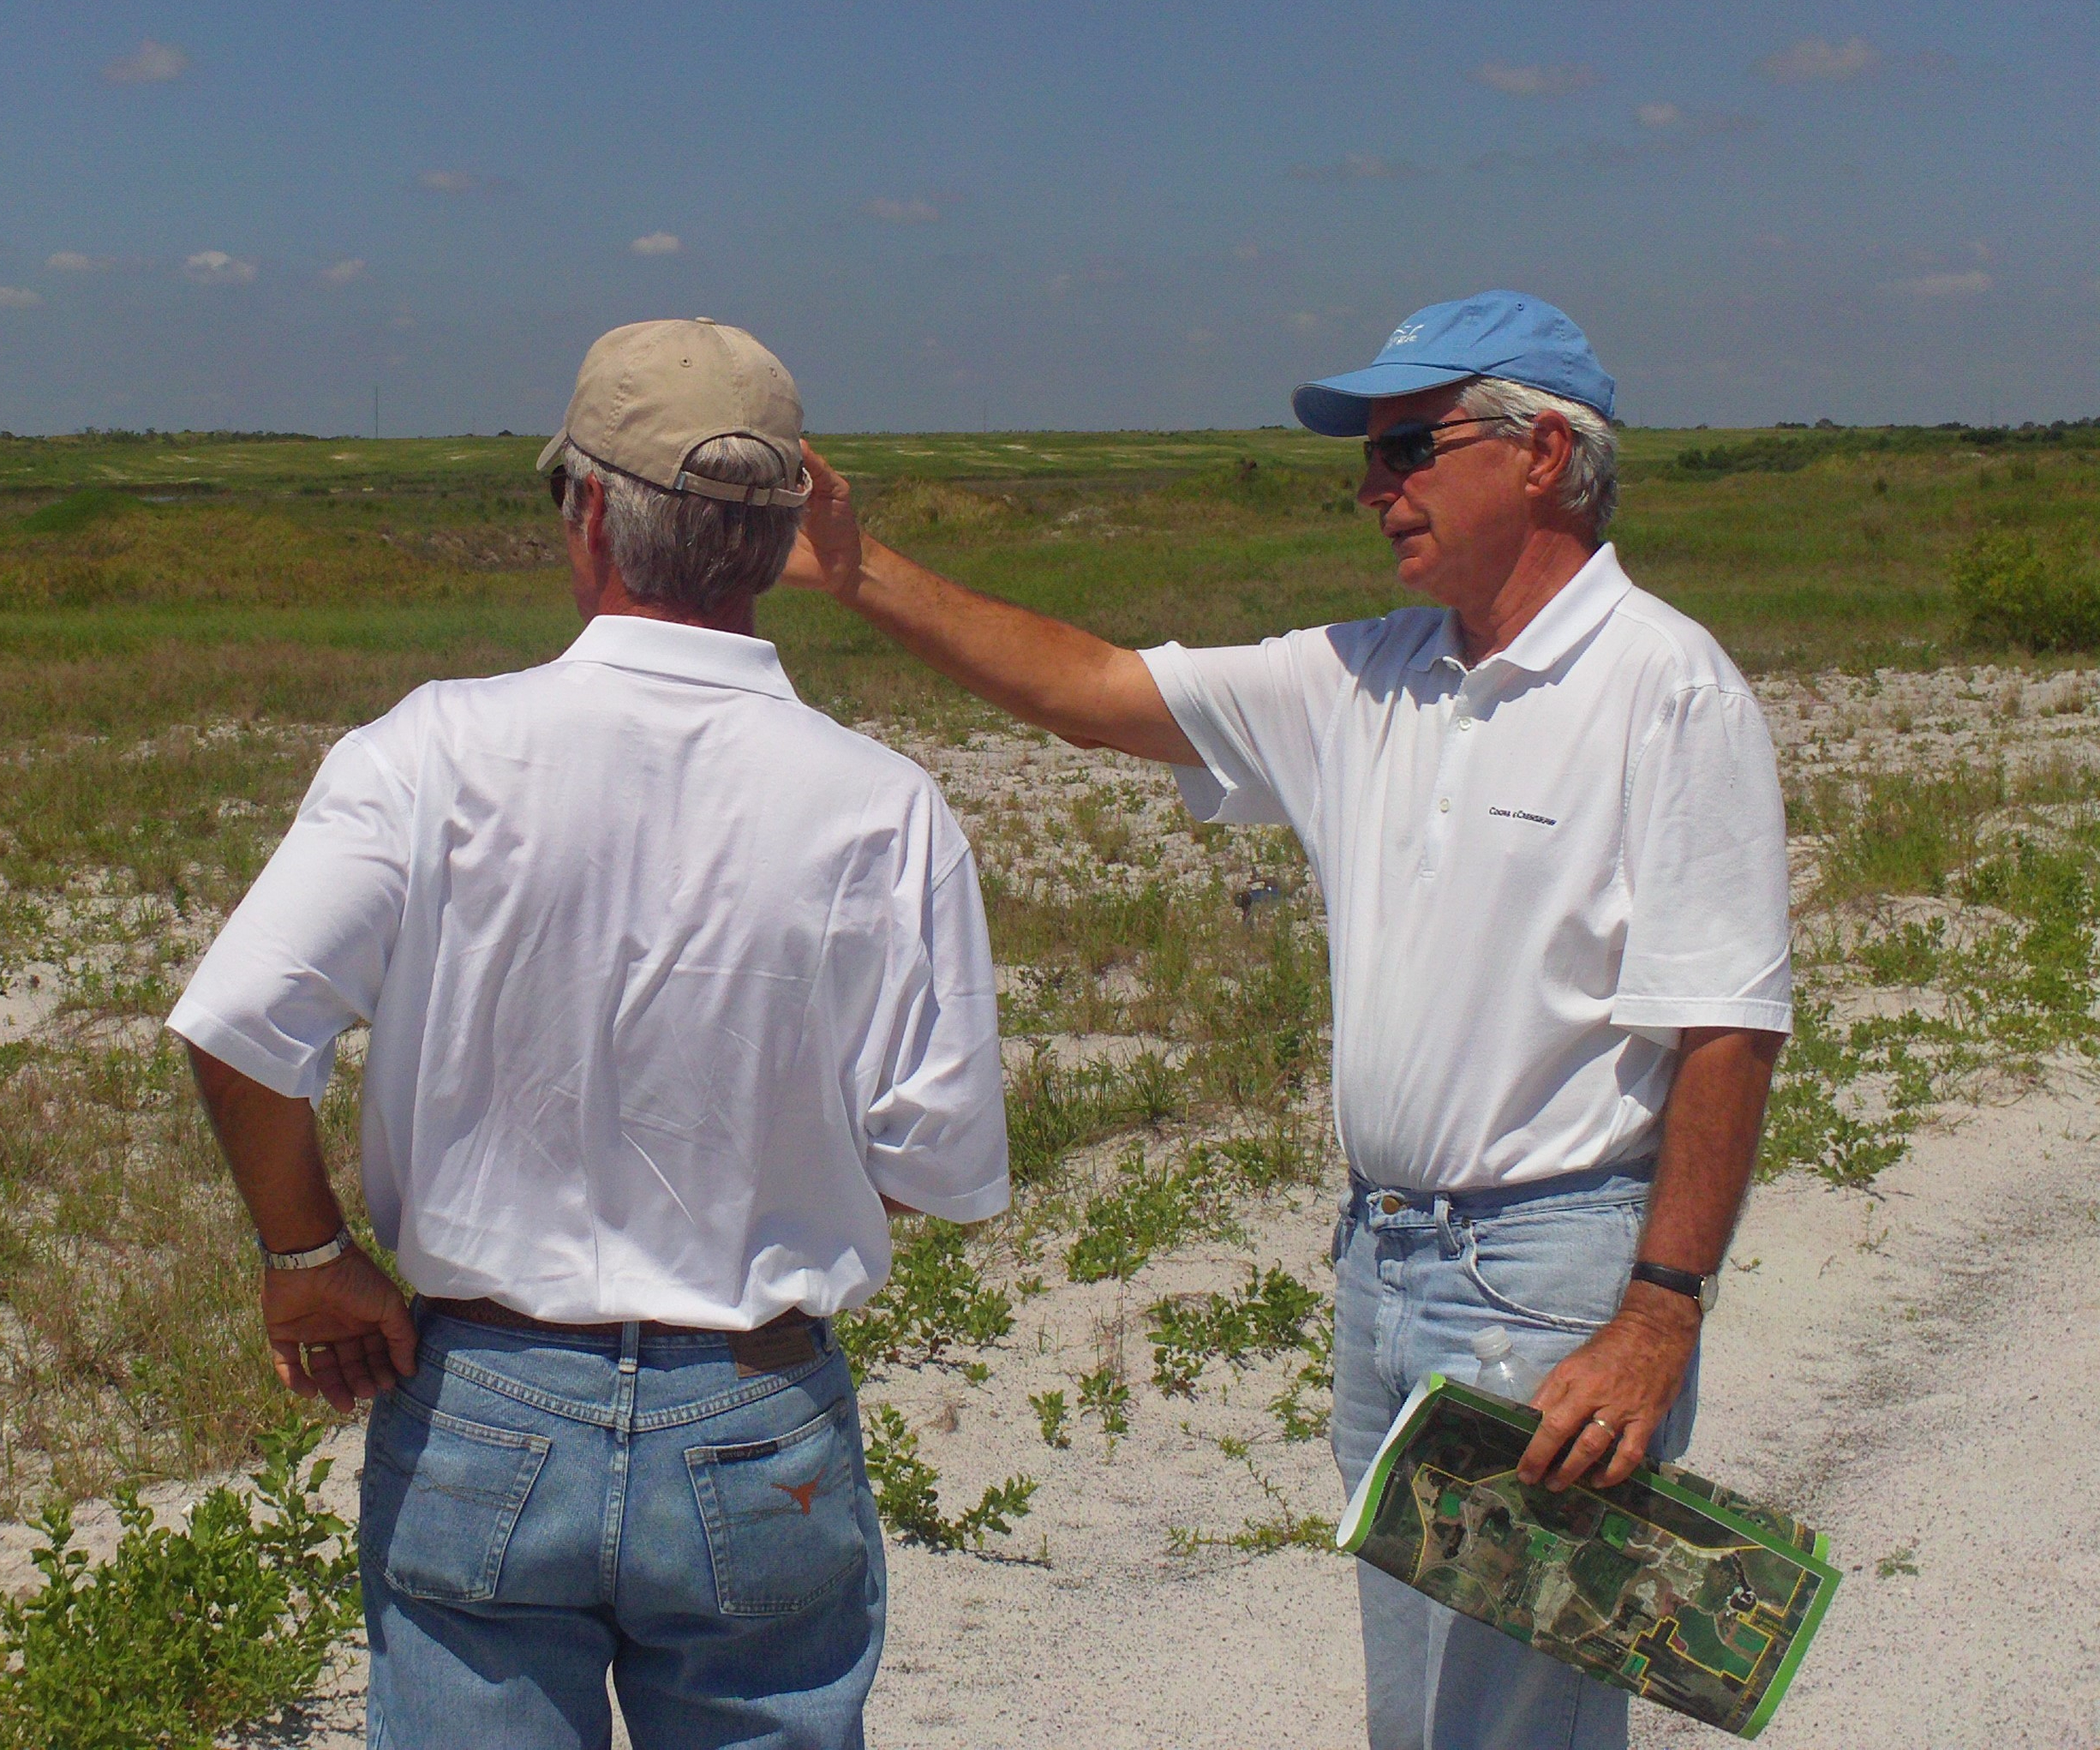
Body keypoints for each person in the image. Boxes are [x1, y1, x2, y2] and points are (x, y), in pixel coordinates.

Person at [782, 290, 1792, 1750]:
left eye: (1409, 449)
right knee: (1428, 1705)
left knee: (1504, 1721)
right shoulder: (1371, 675)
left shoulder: (1667, 689)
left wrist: (1657, 1315)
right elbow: (1095, 690)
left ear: (1544, 454)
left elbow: (1725, 1028)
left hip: (1550, 1274)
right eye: (1370, 462)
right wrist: (856, 569)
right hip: (1386, 1261)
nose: (1376, 491)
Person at [170, 318, 1008, 1750]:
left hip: (487, 1391)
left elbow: (245, 1023)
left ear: (588, 510)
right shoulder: (884, 806)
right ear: (789, 533)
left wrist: (308, 1264)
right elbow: (930, 1161)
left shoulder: (426, 752)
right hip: (756, 1408)